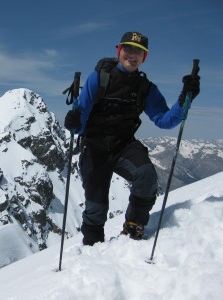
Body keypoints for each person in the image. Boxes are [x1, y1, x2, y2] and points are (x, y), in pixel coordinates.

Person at [64, 31, 200, 246]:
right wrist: (73, 122)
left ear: (144, 57)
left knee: (146, 176)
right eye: (127, 49)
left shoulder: (145, 88)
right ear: (119, 51)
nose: (132, 54)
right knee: (96, 207)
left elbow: (164, 120)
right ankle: (92, 248)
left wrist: (185, 98)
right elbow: (81, 119)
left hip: (123, 145)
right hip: (95, 147)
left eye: (138, 51)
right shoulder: (98, 79)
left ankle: (133, 229)